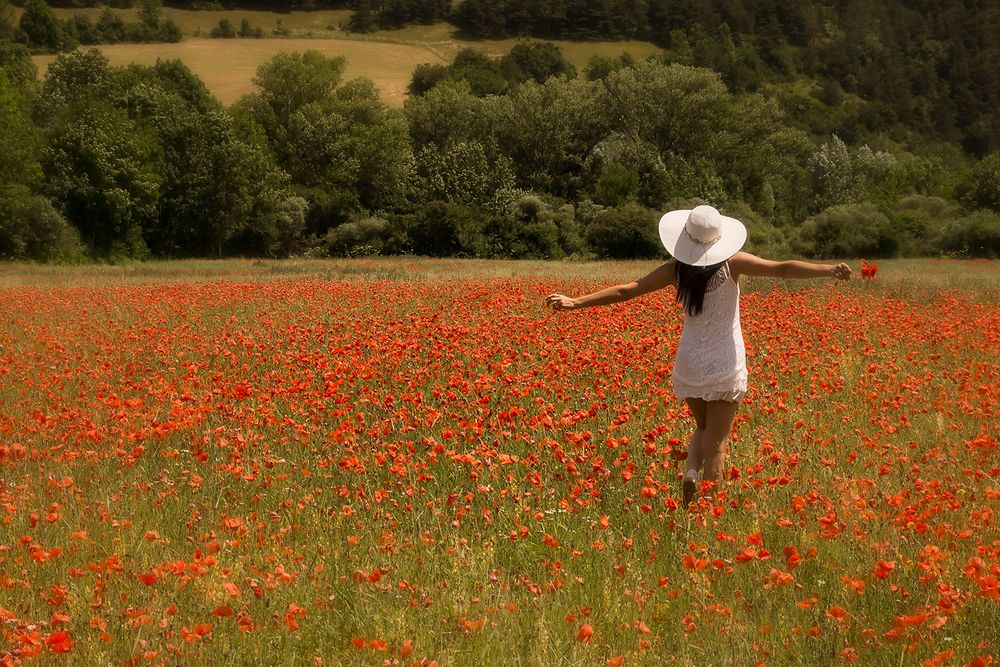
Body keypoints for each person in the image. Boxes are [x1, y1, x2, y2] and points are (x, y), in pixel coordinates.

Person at [544, 205, 852, 507]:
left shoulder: (675, 271)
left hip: (690, 361)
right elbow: (782, 268)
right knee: (717, 441)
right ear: (719, 237)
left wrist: (576, 301)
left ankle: (691, 471)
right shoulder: (734, 263)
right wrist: (827, 269)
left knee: (704, 428)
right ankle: (707, 506)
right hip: (724, 362)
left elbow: (629, 289)